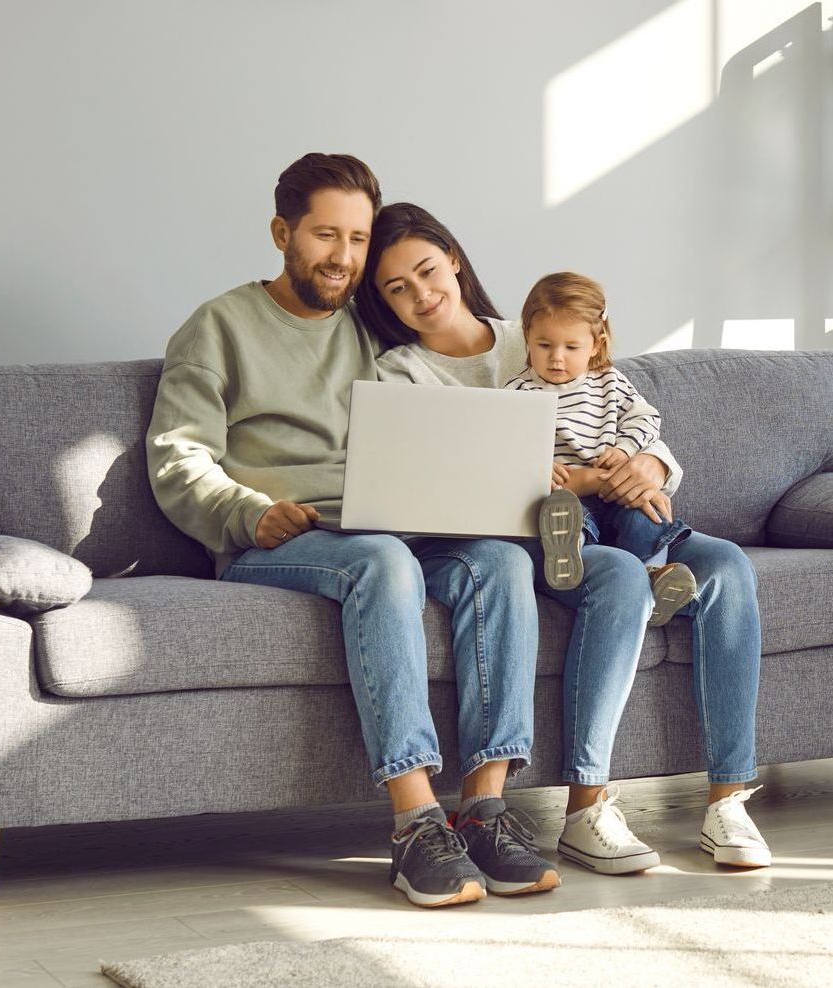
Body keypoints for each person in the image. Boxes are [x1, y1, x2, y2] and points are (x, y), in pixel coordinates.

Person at [146, 155, 561, 908]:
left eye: (359, 239)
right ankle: (413, 825)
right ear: (283, 233)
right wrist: (248, 511)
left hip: (396, 524)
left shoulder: (377, 327)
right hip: (278, 540)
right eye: (325, 236)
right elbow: (179, 461)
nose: (345, 258)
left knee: (498, 563)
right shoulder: (219, 327)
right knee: (380, 563)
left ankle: (485, 811)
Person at [357, 202, 772, 873]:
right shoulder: (401, 373)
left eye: (427, 271)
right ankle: (587, 807)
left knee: (724, 565)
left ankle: (728, 799)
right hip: (536, 532)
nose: (421, 294)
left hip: (616, 510)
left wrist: (651, 466)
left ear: (454, 260)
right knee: (612, 573)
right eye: (396, 288)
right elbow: (420, 494)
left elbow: (625, 411)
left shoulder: (541, 329)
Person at [507, 271, 696, 629]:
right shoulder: (518, 392)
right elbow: (507, 447)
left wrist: (625, 450)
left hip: (617, 491)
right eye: (544, 345)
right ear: (527, 339)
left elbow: (645, 419)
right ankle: (569, 552)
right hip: (567, 496)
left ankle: (654, 577)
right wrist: (536, 465)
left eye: (571, 347)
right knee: (564, 514)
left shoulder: (611, 382)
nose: (556, 358)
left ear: (596, 344)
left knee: (647, 513)